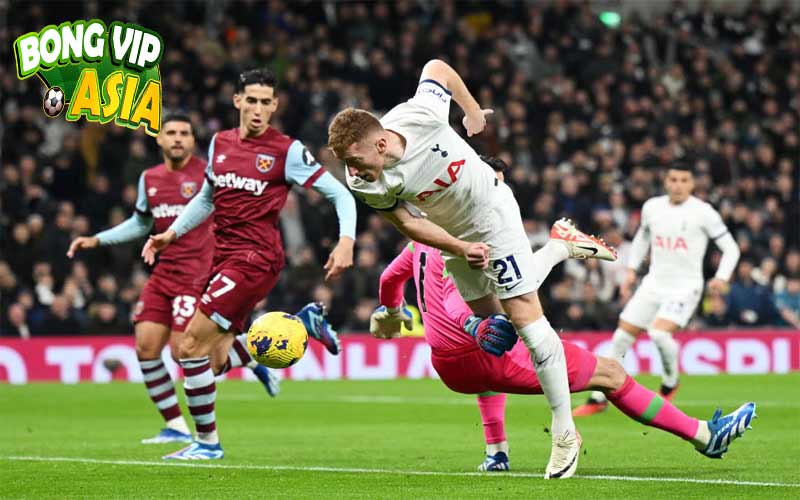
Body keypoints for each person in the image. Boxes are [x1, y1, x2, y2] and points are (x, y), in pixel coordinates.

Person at [328, 59, 617, 479]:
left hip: (494, 216)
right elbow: (410, 223)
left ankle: (564, 432)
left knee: (528, 325)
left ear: (379, 143)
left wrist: (473, 110)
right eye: (344, 165)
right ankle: (557, 248)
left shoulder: (419, 115)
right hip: (456, 240)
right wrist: (461, 248)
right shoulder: (365, 183)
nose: (351, 173)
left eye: (354, 160)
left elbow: (436, 68)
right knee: (498, 323)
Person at [375, 238, 756, 471]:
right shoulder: (468, 237)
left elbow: (389, 280)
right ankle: (706, 436)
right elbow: (456, 295)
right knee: (610, 373)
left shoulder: (417, 243)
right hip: (477, 348)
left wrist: (394, 313)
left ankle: (496, 452)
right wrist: (474, 325)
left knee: (495, 359)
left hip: (448, 367)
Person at [141, 69, 357, 460]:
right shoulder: (220, 143)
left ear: (275, 106)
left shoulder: (286, 150)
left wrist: (346, 241)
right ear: (237, 100)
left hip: (255, 259)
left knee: (187, 345)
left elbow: (340, 195)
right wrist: (172, 233)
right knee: (211, 361)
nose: (258, 110)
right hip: (222, 256)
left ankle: (207, 444)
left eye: (266, 102)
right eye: (251, 100)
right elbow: (207, 198)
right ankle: (301, 323)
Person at [68, 114, 286, 444]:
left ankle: (252, 353)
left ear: (193, 139)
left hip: (198, 274)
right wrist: (97, 239)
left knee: (187, 354)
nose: (178, 138)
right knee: (145, 346)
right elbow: (141, 224)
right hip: (164, 273)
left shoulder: (210, 172)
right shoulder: (149, 178)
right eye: (171, 132)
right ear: (159, 139)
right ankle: (176, 426)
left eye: (185, 133)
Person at [573, 164, 741, 416]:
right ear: (666, 181)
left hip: (685, 287)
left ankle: (670, 382)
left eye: (684, 180)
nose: (678, 185)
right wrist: (631, 271)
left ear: (692, 184)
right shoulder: (652, 207)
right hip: (653, 283)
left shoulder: (704, 212)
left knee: (659, 334)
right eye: (673, 179)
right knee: (620, 337)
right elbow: (642, 238)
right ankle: (598, 398)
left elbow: (731, 248)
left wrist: (721, 277)